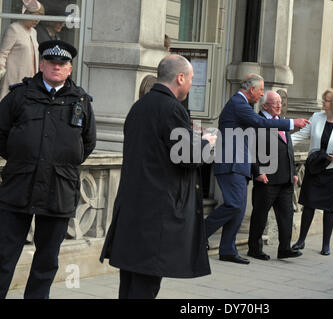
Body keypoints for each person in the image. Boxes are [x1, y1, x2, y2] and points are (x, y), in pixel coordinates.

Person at [100, 54, 216, 299]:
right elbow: (185, 157)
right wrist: (206, 143)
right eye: (191, 79)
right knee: (145, 285)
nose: (191, 85)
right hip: (156, 213)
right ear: (180, 77)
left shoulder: (139, 106)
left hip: (133, 208)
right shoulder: (172, 109)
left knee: (130, 281)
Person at [0, 40, 96, 299]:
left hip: (58, 190)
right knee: (3, 255)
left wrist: (58, 163)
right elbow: (1, 133)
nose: (56, 67)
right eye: (51, 62)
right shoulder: (20, 95)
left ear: (70, 69)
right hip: (18, 187)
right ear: (41, 65)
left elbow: (87, 144)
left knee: (46, 261)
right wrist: (23, 160)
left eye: (62, 63)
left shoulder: (81, 101)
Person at [204, 74, 310, 265]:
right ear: (251, 89)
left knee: (238, 209)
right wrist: (292, 123)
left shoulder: (243, 104)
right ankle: (198, 234)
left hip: (240, 164)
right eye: (261, 90)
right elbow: (262, 123)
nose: (261, 94)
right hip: (231, 163)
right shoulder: (238, 103)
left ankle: (227, 249)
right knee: (235, 205)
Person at [291, 88, 333, 255]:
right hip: (315, 167)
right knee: (308, 205)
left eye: (326, 100)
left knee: (329, 209)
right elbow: (301, 135)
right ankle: (301, 240)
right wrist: (281, 141)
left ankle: (326, 245)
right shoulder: (316, 117)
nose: (323, 102)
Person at [247, 91, 302, 260]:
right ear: (264, 106)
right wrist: (257, 172)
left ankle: (285, 248)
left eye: (280, 102)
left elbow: (288, 149)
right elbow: (250, 150)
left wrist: (293, 172)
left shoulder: (281, 122)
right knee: (260, 216)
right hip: (267, 178)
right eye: (274, 103)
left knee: (286, 214)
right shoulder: (257, 122)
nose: (279, 106)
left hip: (285, 178)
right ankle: (254, 248)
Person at [0, 0, 45, 99]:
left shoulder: (34, 32)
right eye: (35, 16)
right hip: (13, 79)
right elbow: (2, 54)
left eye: (40, 17)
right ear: (26, 13)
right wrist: (2, 73)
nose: (37, 20)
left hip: (30, 80)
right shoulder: (13, 29)